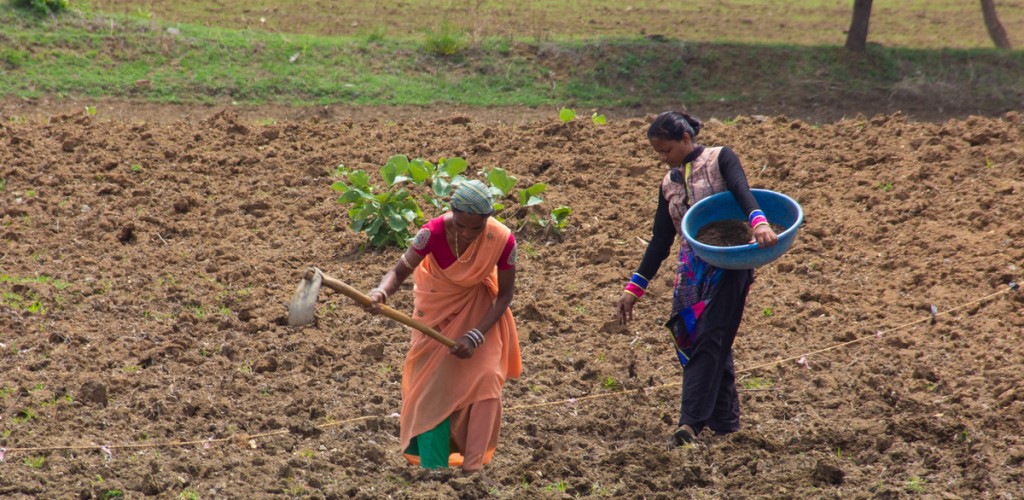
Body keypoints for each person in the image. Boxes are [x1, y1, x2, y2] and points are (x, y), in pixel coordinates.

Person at [616, 111, 778, 445]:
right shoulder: (668, 183)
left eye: (667, 151)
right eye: (658, 154)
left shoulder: (720, 158)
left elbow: (741, 190)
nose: (664, 159)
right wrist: (635, 288)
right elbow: (661, 241)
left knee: (710, 337)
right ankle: (725, 421)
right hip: (691, 272)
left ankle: (690, 424)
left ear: (686, 139)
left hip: (729, 263)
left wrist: (759, 221)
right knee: (695, 337)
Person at [362, 179, 521, 474]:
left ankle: (472, 470)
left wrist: (475, 336)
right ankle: (433, 467)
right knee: (433, 388)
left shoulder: (502, 239)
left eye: (476, 228)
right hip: (434, 317)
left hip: (480, 317)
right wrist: (380, 293)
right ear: (452, 213)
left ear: (487, 221)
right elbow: (399, 271)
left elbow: (506, 295)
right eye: (461, 225)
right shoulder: (432, 232)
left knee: (487, 380)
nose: (467, 233)